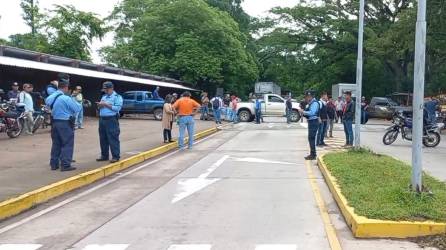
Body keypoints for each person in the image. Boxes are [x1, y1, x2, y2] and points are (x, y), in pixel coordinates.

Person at [45, 79, 81, 171]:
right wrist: (73, 99)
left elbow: (47, 104)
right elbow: (77, 108)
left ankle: (54, 164)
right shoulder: (66, 98)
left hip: (54, 122)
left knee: (56, 144)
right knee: (67, 143)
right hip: (65, 123)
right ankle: (65, 165)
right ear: (65, 87)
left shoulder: (51, 97)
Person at [96, 82, 123, 163]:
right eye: (104, 89)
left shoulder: (117, 97)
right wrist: (99, 106)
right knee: (103, 138)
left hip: (111, 120)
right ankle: (104, 155)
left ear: (111, 88)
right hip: (102, 119)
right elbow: (101, 107)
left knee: (113, 138)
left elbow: (117, 108)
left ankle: (115, 156)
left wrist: (106, 104)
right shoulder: (104, 96)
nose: (105, 91)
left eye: (106, 89)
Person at [299, 91, 320, 160]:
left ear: (311, 96)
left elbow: (312, 113)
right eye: (306, 97)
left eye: (308, 97)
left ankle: (313, 154)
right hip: (311, 121)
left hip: (314, 121)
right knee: (311, 138)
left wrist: (303, 112)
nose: (307, 98)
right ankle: (312, 154)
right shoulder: (311, 103)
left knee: (311, 138)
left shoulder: (314, 103)